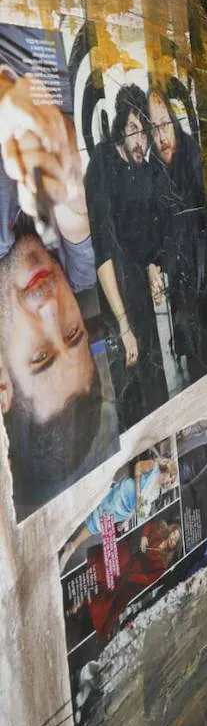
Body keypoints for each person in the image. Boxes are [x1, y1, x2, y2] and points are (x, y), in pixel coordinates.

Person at [0, 65, 115, 516]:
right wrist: (63, 151)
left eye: (42, 357)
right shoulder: (79, 277)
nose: (52, 308)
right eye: (72, 335)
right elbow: (76, 208)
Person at [86, 84, 168, 428]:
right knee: (131, 405)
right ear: (121, 125)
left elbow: (145, 237)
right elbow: (102, 253)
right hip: (114, 301)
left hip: (140, 301)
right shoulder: (101, 166)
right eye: (135, 130)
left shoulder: (142, 171)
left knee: (158, 393)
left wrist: (152, 271)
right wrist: (123, 326)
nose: (141, 142)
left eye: (146, 135)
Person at [148, 88, 207, 385]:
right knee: (194, 369)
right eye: (153, 128)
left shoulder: (193, 155)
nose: (160, 136)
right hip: (182, 295)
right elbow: (160, 235)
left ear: (174, 121)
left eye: (165, 124)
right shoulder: (153, 173)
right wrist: (154, 266)